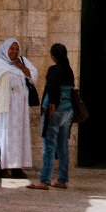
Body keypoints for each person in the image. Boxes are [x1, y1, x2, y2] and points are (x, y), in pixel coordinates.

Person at [0, 38, 37, 178]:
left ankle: (16, 168)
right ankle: (2, 167)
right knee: (4, 137)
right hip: (4, 108)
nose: (14, 52)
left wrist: (21, 66)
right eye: (11, 49)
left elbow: (33, 76)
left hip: (20, 108)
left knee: (18, 137)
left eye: (16, 49)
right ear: (5, 49)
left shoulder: (22, 61)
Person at [27, 43, 75, 190]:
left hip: (54, 112)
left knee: (48, 146)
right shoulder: (69, 70)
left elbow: (53, 89)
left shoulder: (54, 70)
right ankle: (62, 180)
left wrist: (52, 105)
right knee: (62, 146)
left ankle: (44, 180)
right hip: (68, 112)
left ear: (53, 55)